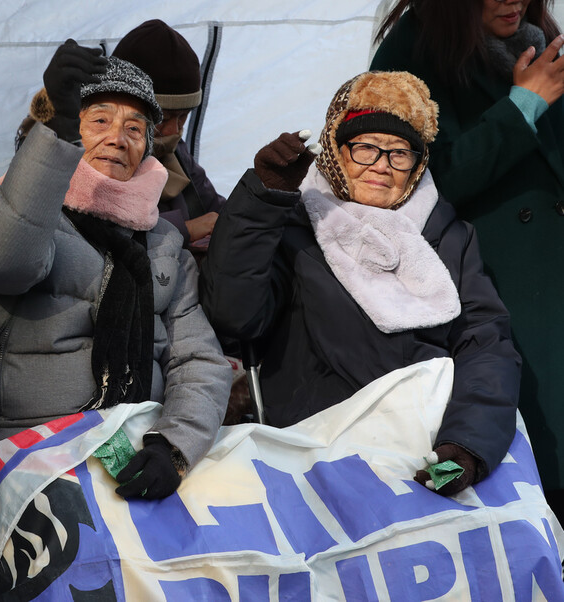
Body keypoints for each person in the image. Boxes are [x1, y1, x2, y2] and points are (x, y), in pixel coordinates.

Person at [202, 71, 521, 497]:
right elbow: (232, 314)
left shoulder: (449, 238)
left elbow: (486, 345)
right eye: (366, 148)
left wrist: (465, 445)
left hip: (424, 451)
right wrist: (263, 198)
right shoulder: (294, 229)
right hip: (314, 455)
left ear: (418, 164)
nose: (382, 167)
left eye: (399, 154)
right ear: (336, 152)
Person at [0, 44, 231, 500]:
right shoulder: (7, 203)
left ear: (148, 148)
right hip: (36, 450)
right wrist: (55, 134)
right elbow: (5, 264)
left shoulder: (164, 242)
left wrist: (174, 448)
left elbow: (198, 360)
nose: (117, 138)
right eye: (98, 120)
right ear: (73, 128)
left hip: (139, 440)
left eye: (134, 128)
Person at [371, 0, 564, 518]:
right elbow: (429, 180)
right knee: (539, 464)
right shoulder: (411, 53)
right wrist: (523, 105)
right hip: (498, 288)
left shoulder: (534, 38)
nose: (514, 0)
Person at [112, 19, 226, 250]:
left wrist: (263, 192)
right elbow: (101, 231)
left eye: (183, 117)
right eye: (163, 117)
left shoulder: (174, 150)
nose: (174, 131)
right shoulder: (90, 156)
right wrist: (185, 230)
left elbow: (215, 208)